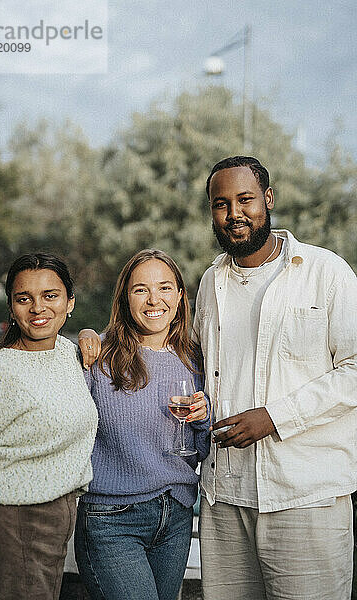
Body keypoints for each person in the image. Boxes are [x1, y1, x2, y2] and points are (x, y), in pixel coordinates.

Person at [193, 155, 357, 600]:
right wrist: (96, 338)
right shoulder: (211, 282)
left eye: (245, 200)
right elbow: (186, 360)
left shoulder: (326, 273)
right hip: (224, 497)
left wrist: (275, 417)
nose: (234, 215)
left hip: (306, 495)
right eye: (220, 204)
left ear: (268, 199)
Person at [0, 253, 98, 600]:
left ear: (70, 303)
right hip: (3, 523)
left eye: (50, 295)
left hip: (53, 523)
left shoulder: (68, 353)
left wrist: (91, 332)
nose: (38, 308)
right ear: (11, 307)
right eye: (24, 298)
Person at [75, 248, 210, 600]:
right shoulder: (97, 356)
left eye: (165, 288)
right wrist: (87, 333)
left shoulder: (196, 358)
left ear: (180, 297)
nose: (154, 299)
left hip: (176, 514)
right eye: (140, 290)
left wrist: (203, 416)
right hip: (111, 519)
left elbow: (204, 449)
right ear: (124, 298)